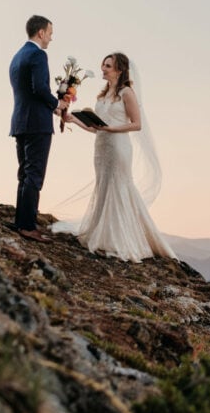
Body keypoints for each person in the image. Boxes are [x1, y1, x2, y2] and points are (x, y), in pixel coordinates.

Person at [58, 52, 176, 261]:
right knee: (103, 186)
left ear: (119, 70)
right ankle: (102, 234)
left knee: (119, 187)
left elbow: (136, 124)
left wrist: (112, 129)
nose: (103, 69)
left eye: (108, 66)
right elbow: (97, 128)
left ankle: (120, 239)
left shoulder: (127, 93)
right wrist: (75, 120)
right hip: (101, 147)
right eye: (103, 65)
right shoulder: (103, 95)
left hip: (118, 147)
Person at [9, 15, 67, 242]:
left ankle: (21, 221)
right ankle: (27, 226)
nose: (51, 38)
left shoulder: (17, 56)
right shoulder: (38, 54)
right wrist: (57, 104)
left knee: (24, 173)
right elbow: (40, 88)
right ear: (41, 33)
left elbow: (29, 91)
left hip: (20, 121)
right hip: (37, 124)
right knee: (34, 174)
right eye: (50, 33)